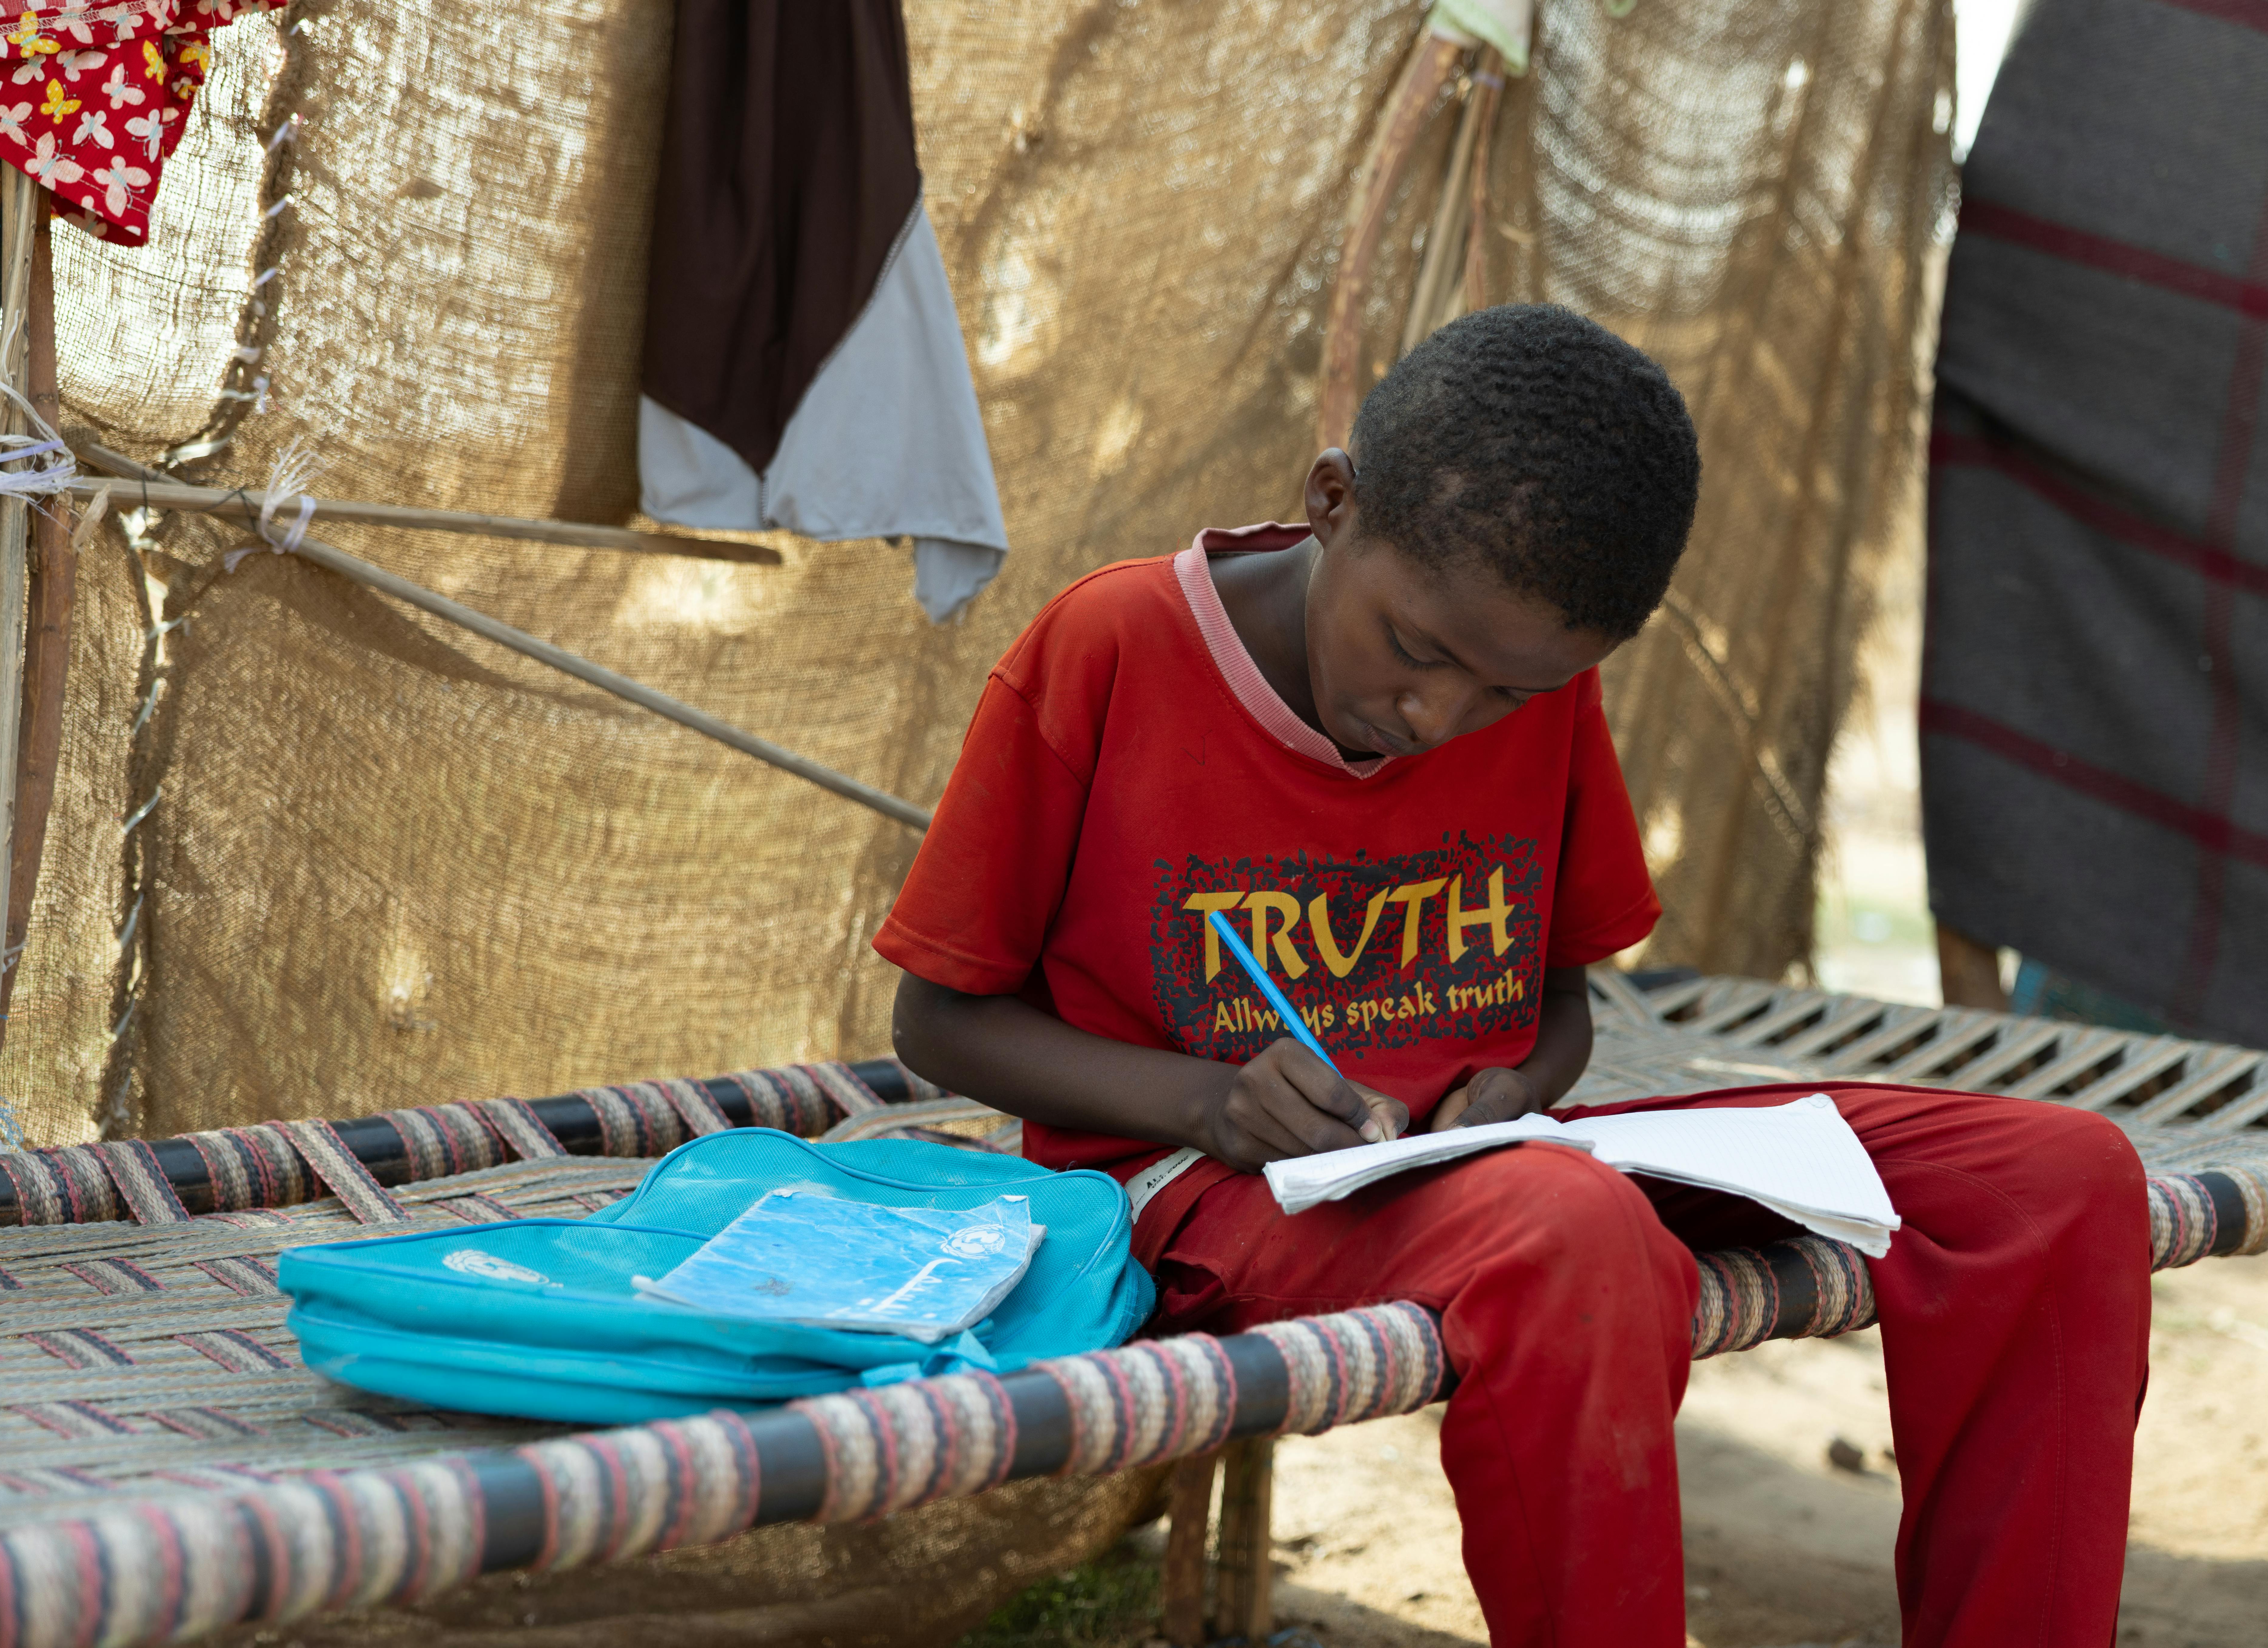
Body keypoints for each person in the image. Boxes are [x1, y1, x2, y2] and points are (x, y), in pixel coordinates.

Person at [874, 304, 2150, 1646]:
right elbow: (941, 1019)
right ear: (1330, 500)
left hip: (1505, 1166)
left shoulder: (1532, 677)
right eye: (1418, 651)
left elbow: (1557, 1002)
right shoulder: (1113, 650)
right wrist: (1205, 1103)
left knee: (2058, 1177)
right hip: (1203, 1184)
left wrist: (1523, 1080)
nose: (1440, 717)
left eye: (1507, 694)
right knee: (1569, 1231)